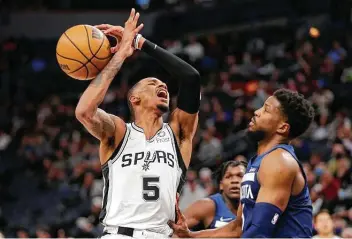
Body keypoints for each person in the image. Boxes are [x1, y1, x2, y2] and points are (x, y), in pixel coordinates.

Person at [75, 9, 200, 238]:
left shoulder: (178, 133)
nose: (161, 85)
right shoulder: (120, 133)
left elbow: (191, 78)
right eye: (152, 83)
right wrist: (120, 54)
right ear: (134, 98)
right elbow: (84, 111)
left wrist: (139, 42)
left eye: (163, 85)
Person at [169, 89, 315, 238]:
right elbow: (237, 228)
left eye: (266, 110)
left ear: (282, 127)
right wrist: (190, 236)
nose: (257, 112)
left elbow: (259, 231)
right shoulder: (258, 161)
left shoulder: (280, 161)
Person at [183, 160, 246, 230]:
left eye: (240, 176)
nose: (234, 181)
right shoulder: (207, 205)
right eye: (228, 176)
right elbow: (175, 230)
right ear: (221, 185)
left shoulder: (257, 208)